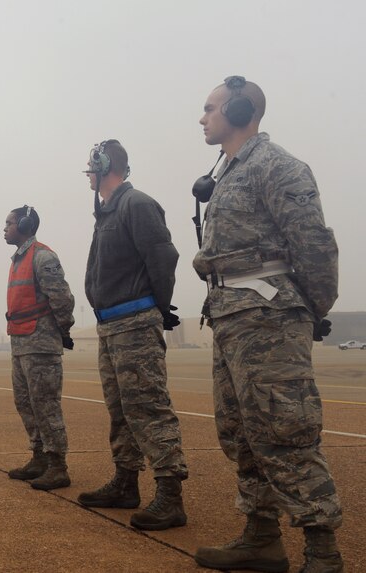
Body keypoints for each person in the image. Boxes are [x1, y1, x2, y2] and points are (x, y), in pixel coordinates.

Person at [192, 76, 343, 573]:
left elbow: (314, 247)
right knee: (241, 433)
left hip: (269, 321)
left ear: (239, 110)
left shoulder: (276, 167)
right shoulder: (231, 172)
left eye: (211, 108)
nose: (203, 117)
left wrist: (307, 310)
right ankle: (261, 537)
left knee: (287, 430)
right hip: (233, 319)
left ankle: (322, 550)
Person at [78, 140, 188, 531]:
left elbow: (163, 256)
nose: (87, 175)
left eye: (90, 167)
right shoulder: (107, 212)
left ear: (104, 165)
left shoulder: (135, 203)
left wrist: (160, 305)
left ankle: (170, 493)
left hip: (134, 322)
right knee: (121, 410)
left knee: (148, 407)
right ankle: (126, 482)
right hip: (110, 325)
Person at [3, 205, 75, 491]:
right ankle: (39, 457)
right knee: (25, 403)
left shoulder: (42, 256)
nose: (4, 228)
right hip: (20, 343)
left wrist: (63, 329)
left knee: (45, 405)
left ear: (24, 223)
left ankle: (58, 465)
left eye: (9, 223)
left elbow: (61, 298)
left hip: (40, 343)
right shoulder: (18, 259)